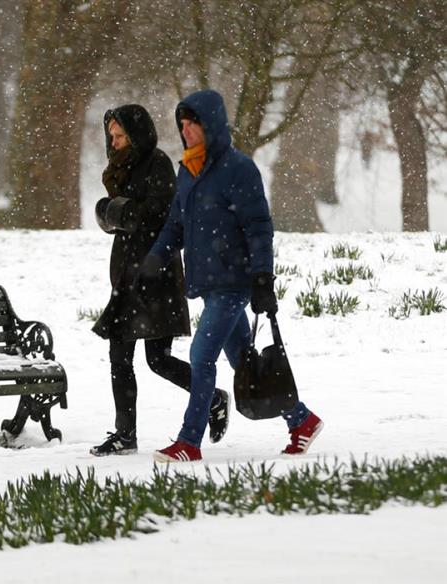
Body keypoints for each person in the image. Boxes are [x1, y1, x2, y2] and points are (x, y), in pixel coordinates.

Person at [136, 89, 323, 463]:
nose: (186, 131)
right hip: (209, 283)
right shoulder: (187, 171)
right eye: (183, 124)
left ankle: (189, 441)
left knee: (201, 355)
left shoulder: (239, 169)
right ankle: (300, 420)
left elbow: (258, 228)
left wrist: (262, 279)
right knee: (242, 359)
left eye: (194, 124)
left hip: (235, 283)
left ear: (212, 125)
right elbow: (176, 224)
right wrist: (155, 258)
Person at [90, 104, 230, 457]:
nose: (115, 142)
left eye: (121, 135)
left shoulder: (158, 164)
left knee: (157, 359)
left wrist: (115, 211)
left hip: (156, 275)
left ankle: (212, 398)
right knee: (119, 355)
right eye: (112, 136)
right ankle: (125, 435)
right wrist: (109, 215)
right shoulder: (118, 168)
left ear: (137, 134)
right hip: (126, 274)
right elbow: (121, 217)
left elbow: (157, 215)